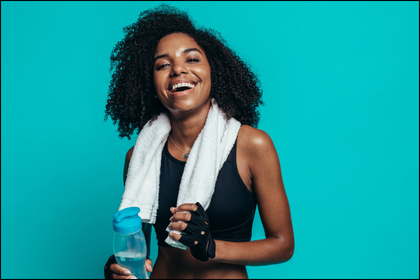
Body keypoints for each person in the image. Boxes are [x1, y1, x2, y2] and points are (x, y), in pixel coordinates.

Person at [104, 4, 294, 279]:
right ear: (151, 83)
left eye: (191, 60)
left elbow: (283, 246)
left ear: (213, 71)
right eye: (163, 65)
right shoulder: (138, 158)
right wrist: (119, 269)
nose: (178, 70)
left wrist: (211, 246)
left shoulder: (252, 146)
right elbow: (139, 252)